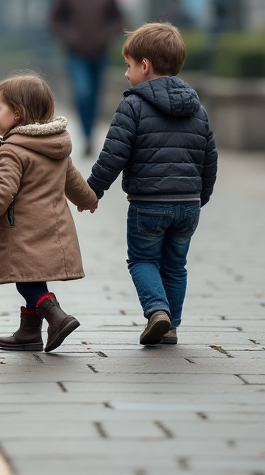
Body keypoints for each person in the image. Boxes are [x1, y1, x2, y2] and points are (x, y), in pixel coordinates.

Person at [86, 22, 218, 347]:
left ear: (144, 66)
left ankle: (156, 310)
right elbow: (209, 156)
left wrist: (92, 190)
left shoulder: (132, 105)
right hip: (188, 204)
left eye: (128, 66)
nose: (126, 74)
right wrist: (201, 196)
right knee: (176, 265)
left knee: (143, 260)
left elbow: (113, 155)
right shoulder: (197, 109)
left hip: (148, 203)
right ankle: (171, 326)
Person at [0, 73, 98, 353]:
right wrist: (88, 199)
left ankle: (56, 316)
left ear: (17, 114)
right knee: (32, 275)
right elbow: (72, 180)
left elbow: (3, 192)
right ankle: (29, 334)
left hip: (23, 230)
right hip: (54, 228)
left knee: (27, 282)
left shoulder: (12, 150)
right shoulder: (56, 145)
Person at [49, 0, 125, 156]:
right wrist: (69, 37)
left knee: (95, 96)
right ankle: (86, 133)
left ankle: (90, 135)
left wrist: (106, 36)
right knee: (83, 93)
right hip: (76, 54)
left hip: (99, 53)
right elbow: (55, 20)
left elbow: (118, 18)